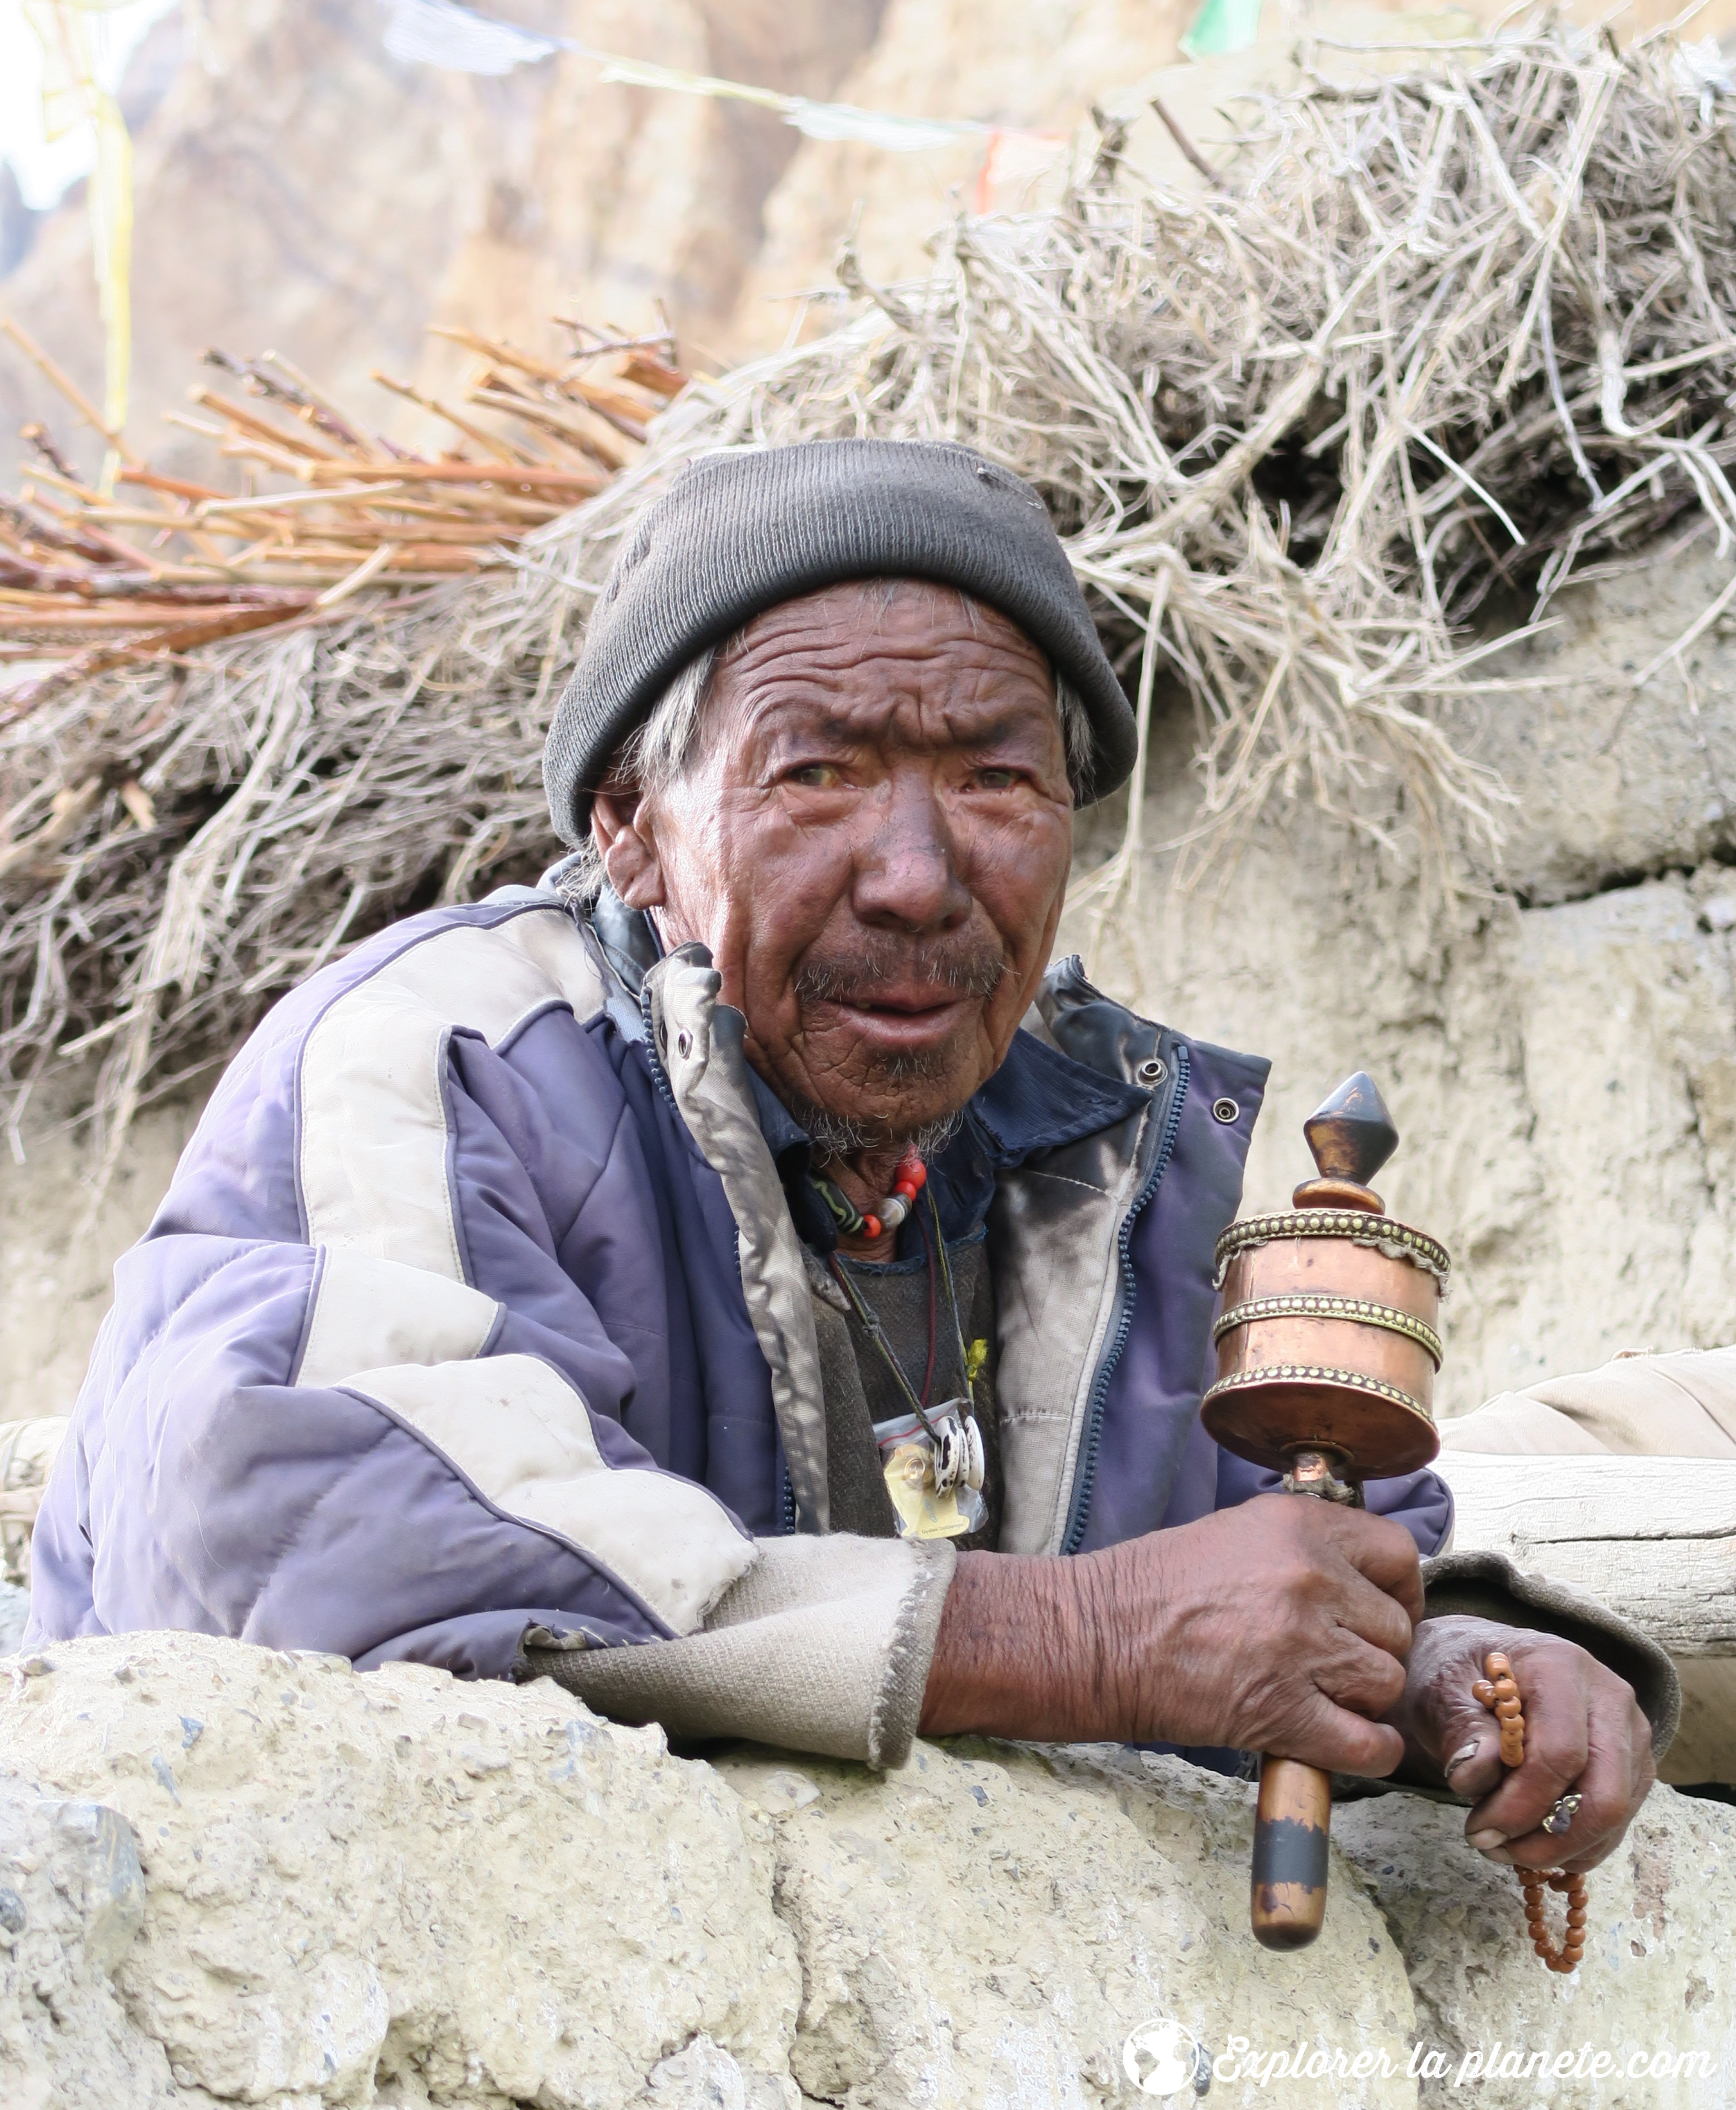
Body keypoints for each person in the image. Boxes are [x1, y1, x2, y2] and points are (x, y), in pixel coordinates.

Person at [30, 439, 1671, 1882]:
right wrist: (1091, 1642)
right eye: (817, 769)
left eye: (993, 776)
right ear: (632, 823)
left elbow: (1290, 1558)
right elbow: (323, 1526)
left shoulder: (1102, 1158)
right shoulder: (441, 1061)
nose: (914, 873)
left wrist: (1460, 1660)